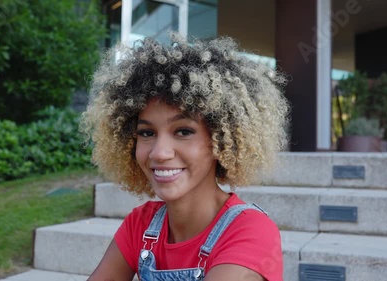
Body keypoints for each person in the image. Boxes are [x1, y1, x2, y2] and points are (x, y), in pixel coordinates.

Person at [80, 33, 290, 281]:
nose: (159, 152)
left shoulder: (250, 232)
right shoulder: (141, 224)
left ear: (221, 140)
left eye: (183, 131)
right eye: (147, 133)